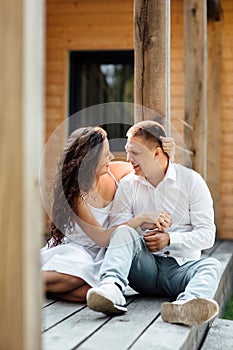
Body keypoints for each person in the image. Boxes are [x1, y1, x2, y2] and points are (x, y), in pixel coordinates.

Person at [86, 120, 221, 326]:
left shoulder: (192, 182)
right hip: (144, 269)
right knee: (123, 232)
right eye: (127, 151)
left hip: (181, 269)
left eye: (136, 152)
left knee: (212, 265)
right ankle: (111, 289)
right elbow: (117, 233)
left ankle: (186, 305)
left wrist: (169, 240)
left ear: (157, 153)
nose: (128, 158)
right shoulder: (128, 184)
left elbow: (207, 235)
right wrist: (143, 223)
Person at [41, 126, 173, 302]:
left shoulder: (114, 171)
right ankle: (23, 282)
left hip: (102, 252)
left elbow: (151, 168)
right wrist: (141, 219)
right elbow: (101, 238)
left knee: (91, 292)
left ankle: (44, 290)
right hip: (79, 247)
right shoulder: (77, 195)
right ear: (90, 162)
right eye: (105, 155)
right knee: (76, 277)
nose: (111, 158)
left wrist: (168, 153)